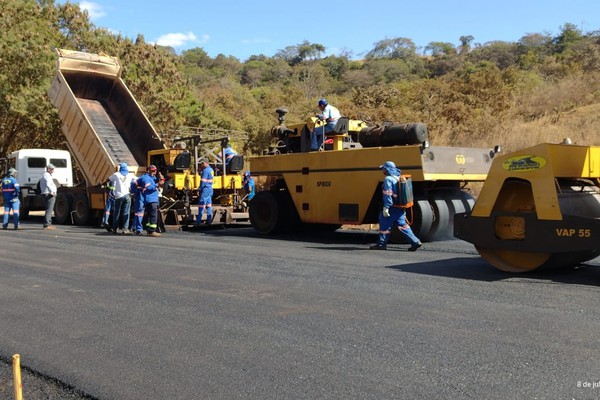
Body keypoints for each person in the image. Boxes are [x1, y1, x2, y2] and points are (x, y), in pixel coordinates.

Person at [370, 161, 422, 251]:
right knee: (403, 225)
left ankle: (381, 244)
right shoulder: (399, 177)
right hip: (400, 207)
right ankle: (415, 241)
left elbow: (388, 194)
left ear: (387, 169)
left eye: (383, 169)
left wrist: (386, 207)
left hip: (392, 207)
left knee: (384, 225)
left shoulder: (388, 179)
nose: (383, 171)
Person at [108, 162, 136, 234]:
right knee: (126, 212)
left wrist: (103, 184)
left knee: (117, 212)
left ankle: (115, 228)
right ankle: (125, 229)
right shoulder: (130, 175)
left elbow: (108, 179)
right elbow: (138, 180)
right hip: (127, 196)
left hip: (118, 196)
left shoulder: (116, 175)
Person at [137, 165, 162, 237]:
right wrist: (157, 185)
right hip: (150, 199)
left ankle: (148, 229)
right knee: (153, 214)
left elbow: (159, 181)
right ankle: (152, 231)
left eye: (155, 171)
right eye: (153, 171)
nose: (155, 172)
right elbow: (149, 187)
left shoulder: (152, 178)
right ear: (148, 171)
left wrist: (161, 178)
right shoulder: (146, 178)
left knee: (149, 215)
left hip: (152, 199)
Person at [39, 163, 57, 230]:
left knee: (48, 209)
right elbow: (48, 184)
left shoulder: (45, 175)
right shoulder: (47, 175)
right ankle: (47, 224)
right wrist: (52, 192)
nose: (53, 170)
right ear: (48, 169)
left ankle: (48, 223)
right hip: (49, 194)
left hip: (46, 193)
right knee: (49, 210)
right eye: (52, 169)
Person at [196, 159, 214, 225]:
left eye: (202, 164)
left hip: (205, 189)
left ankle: (198, 221)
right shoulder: (211, 169)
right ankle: (209, 220)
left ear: (206, 163)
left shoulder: (205, 171)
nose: (202, 165)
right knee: (209, 205)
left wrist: (199, 189)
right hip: (210, 189)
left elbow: (203, 181)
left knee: (201, 204)